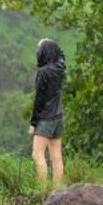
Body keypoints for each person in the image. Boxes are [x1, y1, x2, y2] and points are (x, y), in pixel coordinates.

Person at [29, 38, 66, 185]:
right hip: (58, 116)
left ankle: (42, 188)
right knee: (56, 156)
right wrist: (49, 42)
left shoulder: (43, 72)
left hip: (46, 118)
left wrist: (33, 122)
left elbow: (39, 100)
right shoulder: (60, 67)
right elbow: (62, 54)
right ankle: (56, 190)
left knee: (37, 154)